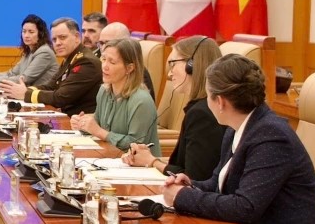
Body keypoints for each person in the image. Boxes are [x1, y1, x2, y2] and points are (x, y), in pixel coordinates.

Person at [163, 54, 315, 224]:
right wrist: (191, 185)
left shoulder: (271, 136)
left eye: (207, 96)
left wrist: (183, 197)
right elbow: (219, 183)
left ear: (220, 102)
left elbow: (245, 207)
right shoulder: (237, 127)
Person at [124, 36, 225, 181]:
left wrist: (152, 161)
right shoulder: (201, 108)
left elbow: (192, 178)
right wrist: (147, 158)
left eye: (173, 64)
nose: (169, 74)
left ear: (192, 65)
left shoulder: (202, 114)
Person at [71, 38, 160, 155]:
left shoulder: (141, 100)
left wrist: (99, 132)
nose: (104, 66)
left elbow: (136, 144)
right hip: (109, 157)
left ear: (129, 68)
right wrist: (82, 124)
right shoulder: (104, 91)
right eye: (103, 59)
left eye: (112, 62)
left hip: (138, 164)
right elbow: (98, 124)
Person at [0, 17, 101, 116]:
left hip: (79, 121)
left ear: (77, 37)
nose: (58, 43)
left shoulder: (85, 61)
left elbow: (60, 97)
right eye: (54, 39)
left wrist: (26, 94)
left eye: (62, 37)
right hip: (68, 117)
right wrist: (22, 90)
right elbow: (50, 86)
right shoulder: (70, 58)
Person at [0, 14, 57, 87]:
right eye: (24, 31)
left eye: (31, 32)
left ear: (40, 34)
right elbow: (11, 74)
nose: (26, 35)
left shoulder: (44, 52)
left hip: (42, 93)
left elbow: (25, 79)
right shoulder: (29, 52)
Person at [97, 21, 155, 99]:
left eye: (110, 43)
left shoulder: (140, 75)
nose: (104, 48)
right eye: (101, 43)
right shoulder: (104, 90)